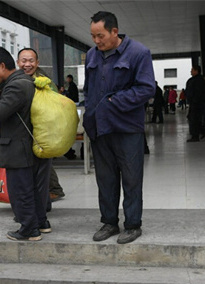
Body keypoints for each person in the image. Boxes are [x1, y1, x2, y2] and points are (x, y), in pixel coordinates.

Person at [83, 11, 155, 244]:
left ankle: (133, 224)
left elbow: (146, 89)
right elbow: (89, 90)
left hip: (126, 127)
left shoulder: (138, 53)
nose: (96, 41)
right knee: (105, 178)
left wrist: (113, 102)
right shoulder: (92, 55)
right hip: (99, 127)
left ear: (115, 31)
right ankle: (109, 222)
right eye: (93, 36)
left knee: (132, 178)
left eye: (100, 35)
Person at [0, 47, 51, 241]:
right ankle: (39, 222)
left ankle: (29, 229)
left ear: (2, 66)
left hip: (17, 146)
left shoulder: (16, 85)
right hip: (27, 145)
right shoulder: (26, 81)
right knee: (31, 188)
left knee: (20, 190)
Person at [16, 47, 65, 204]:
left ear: (37, 62)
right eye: (24, 61)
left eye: (31, 61)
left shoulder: (45, 81)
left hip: (42, 131)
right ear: (18, 62)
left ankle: (49, 196)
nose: (27, 64)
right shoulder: (15, 79)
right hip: (22, 131)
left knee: (43, 164)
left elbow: (55, 104)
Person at [185, 65, 205, 142]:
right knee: (191, 118)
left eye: (192, 70)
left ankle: (195, 135)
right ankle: (201, 131)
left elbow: (198, 92)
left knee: (195, 119)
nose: (191, 71)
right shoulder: (193, 79)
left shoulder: (199, 80)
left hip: (196, 103)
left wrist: (194, 100)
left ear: (196, 71)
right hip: (193, 102)